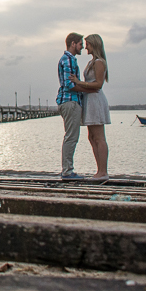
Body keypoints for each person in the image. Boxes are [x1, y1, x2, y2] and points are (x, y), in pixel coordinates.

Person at [70, 34, 110, 182]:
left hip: (95, 100)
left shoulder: (99, 62)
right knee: (91, 136)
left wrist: (79, 83)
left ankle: (103, 171)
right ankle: (99, 169)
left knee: (99, 137)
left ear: (94, 44)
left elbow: (98, 84)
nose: (85, 47)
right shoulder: (91, 62)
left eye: (87, 44)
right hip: (89, 100)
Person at [56, 33, 84, 179]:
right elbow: (69, 85)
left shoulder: (68, 59)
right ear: (73, 44)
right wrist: (87, 87)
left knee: (70, 136)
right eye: (80, 44)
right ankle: (67, 171)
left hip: (67, 101)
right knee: (71, 137)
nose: (82, 47)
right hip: (70, 101)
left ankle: (67, 169)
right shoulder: (68, 60)